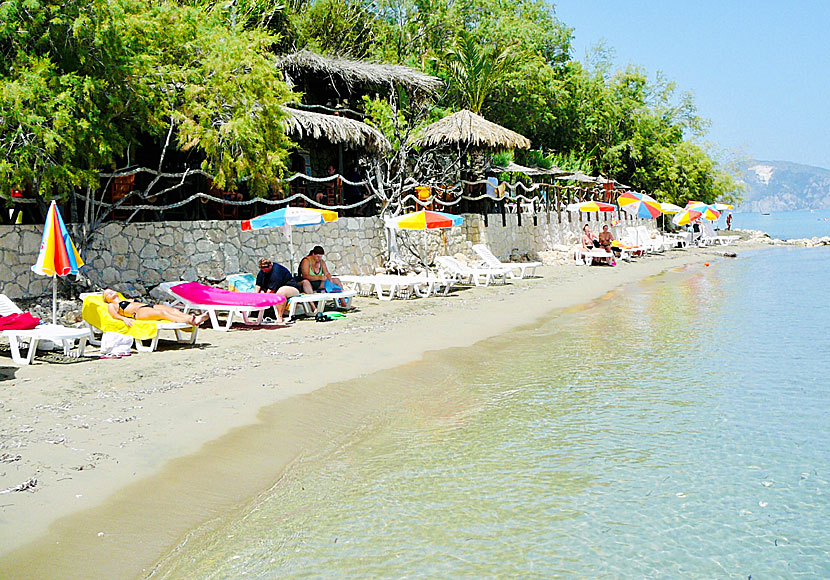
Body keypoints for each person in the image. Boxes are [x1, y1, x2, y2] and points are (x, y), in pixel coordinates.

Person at [103, 288, 209, 327]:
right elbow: (114, 315)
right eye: (108, 294)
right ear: (107, 299)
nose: (111, 292)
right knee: (163, 314)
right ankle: (191, 320)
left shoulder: (125, 299)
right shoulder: (112, 305)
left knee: (173, 310)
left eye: (111, 291)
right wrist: (123, 318)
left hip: (147, 306)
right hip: (138, 313)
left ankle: (193, 318)